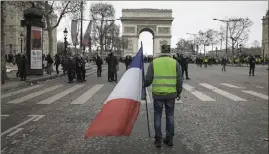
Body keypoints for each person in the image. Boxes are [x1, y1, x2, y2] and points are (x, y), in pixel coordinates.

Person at [144, 44, 183, 147]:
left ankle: (158, 140)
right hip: (171, 94)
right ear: (169, 51)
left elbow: (148, 79)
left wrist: (143, 84)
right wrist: (179, 92)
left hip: (158, 94)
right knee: (170, 115)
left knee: (157, 116)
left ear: (161, 51)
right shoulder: (175, 63)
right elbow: (179, 80)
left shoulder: (154, 62)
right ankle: (169, 139)